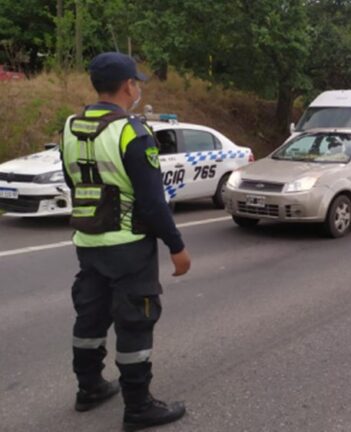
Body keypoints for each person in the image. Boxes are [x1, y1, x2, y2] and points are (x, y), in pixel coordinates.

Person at [60, 52, 190, 430]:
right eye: (137, 82)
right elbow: (152, 200)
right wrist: (176, 245)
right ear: (128, 85)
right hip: (128, 245)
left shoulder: (70, 126)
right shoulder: (131, 131)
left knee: (91, 313)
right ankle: (138, 407)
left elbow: (74, 182)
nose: (137, 88)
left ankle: (89, 389)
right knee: (135, 321)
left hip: (88, 240)